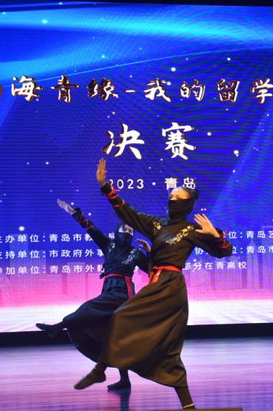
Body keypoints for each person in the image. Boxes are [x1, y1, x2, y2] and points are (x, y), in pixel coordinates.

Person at [73, 158, 233, 410]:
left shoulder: (192, 230)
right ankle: (188, 406)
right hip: (156, 285)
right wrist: (105, 187)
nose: (171, 199)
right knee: (137, 329)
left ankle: (100, 369)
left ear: (186, 204)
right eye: (170, 196)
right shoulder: (158, 224)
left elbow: (224, 251)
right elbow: (129, 212)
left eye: (177, 197)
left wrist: (216, 235)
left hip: (171, 288)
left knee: (136, 326)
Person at [36, 198, 150, 390]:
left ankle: (58, 327)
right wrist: (74, 213)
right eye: (125, 229)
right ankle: (118, 376)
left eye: (131, 231)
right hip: (109, 289)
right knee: (111, 335)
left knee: (87, 309)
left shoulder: (135, 253)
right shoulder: (109, 245)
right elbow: (92, 229)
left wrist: (149, 252)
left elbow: (153, 270)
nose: (128, 233)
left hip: (122, 293)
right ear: (117, 231)